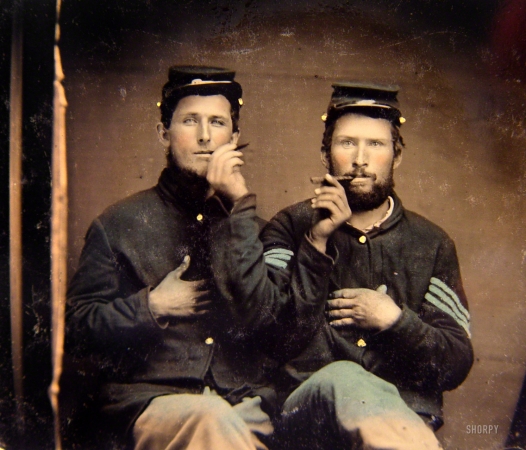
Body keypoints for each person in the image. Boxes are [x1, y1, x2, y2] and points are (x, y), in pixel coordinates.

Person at [210, 82, 474, 449]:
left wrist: (395, 321)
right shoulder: (290, 225)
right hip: (307, 419)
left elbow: (456, 363)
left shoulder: (432, 243)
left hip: (404, 423)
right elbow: (271, 334)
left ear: (397, 157)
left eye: (376, 145)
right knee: (346, 379)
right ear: (325, 154)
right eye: (347, 143)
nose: (360, 159)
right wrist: (316, 243)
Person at [66, 66, 277, 450]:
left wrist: (240, 206)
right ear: (163, 132)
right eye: (189, 121)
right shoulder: (117, 223)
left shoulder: (259, 229)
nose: (204, 136)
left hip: (244, 404)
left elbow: (276, 327)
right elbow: (76, 331)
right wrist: (151, 307)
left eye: (217, 122)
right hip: (151, 403)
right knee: (211, 422)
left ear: (234, 137)